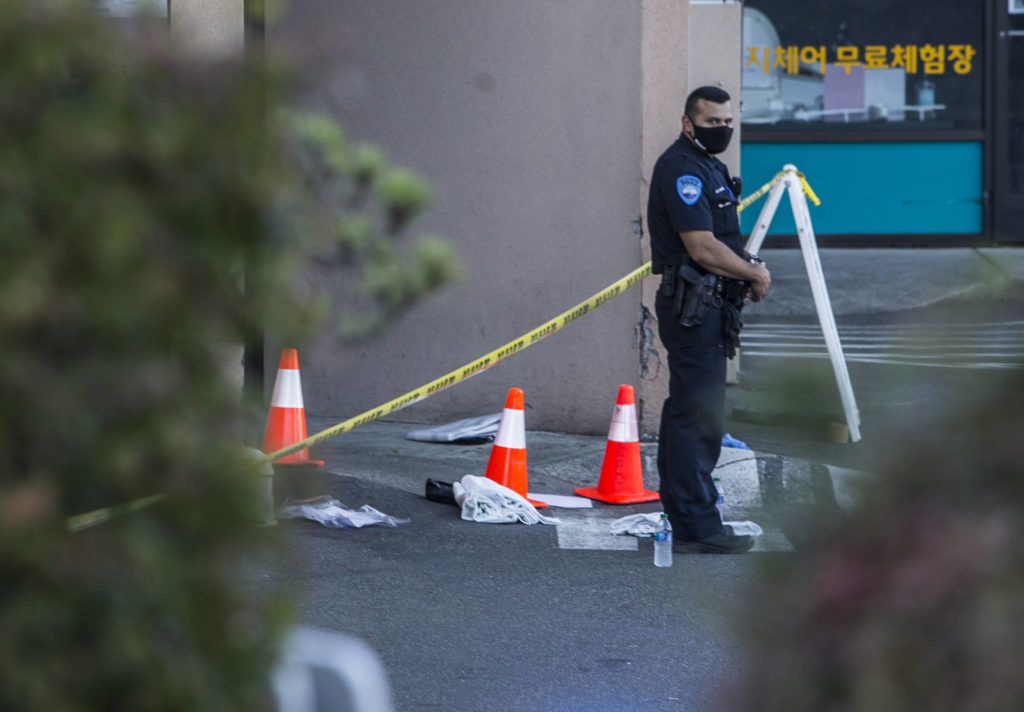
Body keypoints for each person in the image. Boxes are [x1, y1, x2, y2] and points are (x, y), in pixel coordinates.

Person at [647, 85, 771, 554]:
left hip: (710, 306)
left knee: (694, 412)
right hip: (692, 307)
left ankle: (690, 513)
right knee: (695, 416)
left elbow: (724, 238)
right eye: (711, 121)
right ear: (687, 122)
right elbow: (701, 247)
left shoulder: (709, 166)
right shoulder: (683, 169)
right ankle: (696, 525)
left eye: (726, 121)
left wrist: (745, 269)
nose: (721, 129)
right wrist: (754, 275)